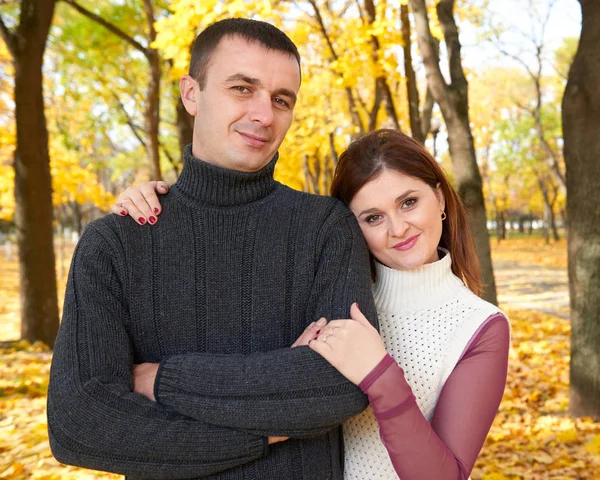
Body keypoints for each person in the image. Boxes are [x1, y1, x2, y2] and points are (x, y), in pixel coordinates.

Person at [47, 18, 378, 480]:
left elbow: (342, 383)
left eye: (282, 99)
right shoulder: (118, 241)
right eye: (243, 88)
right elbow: (79, 423)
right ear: (191, 94)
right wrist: (262, 432)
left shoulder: (325, 227)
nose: (265, 114)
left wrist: (160, 381)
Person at [116, 129, 510, 479]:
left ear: (439, 196)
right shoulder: (327, 286)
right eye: (373, 217)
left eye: (408, 202)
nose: (398, 228)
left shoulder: (479, 326)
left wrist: (379, 374)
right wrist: (167, 203)